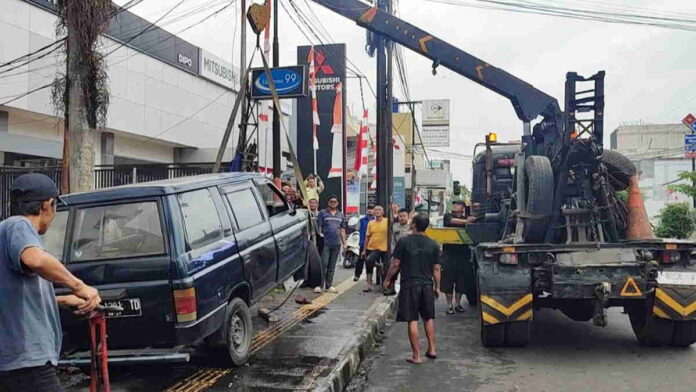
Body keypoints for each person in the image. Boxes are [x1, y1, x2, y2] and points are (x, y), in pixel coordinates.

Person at [0, 173, 102, 392]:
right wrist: (80, 286)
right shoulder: (18, 225)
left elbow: (12, 298)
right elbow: (36, 260)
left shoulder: (5, 234)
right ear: (48, 205)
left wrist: (61, 300)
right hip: (26, 361)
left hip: (14, 362)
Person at [384, 213, 441, 364]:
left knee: (413, 319)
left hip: (410, 285)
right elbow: (436, 269)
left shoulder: (404, 242)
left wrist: (388, 279)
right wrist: (437, 287)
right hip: (427, 285)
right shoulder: (434, 244)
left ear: (414, 225)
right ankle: (432, 349)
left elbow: (395, 264)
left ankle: (417, 356)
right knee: (428, 318)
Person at [441, 200, 476, 314]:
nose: (455, 206)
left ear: (463, 208)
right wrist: (467, 221)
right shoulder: (448, 216)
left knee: (461, 281)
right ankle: (449, 305)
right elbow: (452, 221)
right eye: (454, 204)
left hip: (463, 255)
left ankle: (458, 304)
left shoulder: (467, 217)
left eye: (458, 205)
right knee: (448, 280)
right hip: (449, 254)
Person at [316, 195, 346, 293]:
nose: (333, 203)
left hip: (336, 243)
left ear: (337, 203)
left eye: (335, 201)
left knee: (332, 265)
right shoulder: (322, 213)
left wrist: (344, 243)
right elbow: (318, 228)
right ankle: (319, 285)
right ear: (328, 203)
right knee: (323, 264)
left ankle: (329, 286)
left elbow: (342, 230)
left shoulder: (341, 215)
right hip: (325, 243)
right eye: (331, 201)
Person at [362, 205, 388, 292]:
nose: (377, 211)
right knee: (368, 262)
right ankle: (368, 284)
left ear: (383, 212)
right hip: (372, 247)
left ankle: (385, 284)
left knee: (386, 266)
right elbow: (367, 237)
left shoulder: (387, 221)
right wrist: (364, 250)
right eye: (375, 210)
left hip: (384, 248)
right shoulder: (371, 223)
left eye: (379, 210)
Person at [353, 205, 375, 282]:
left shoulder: (375, 220)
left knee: (370, 261)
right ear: (366, 210)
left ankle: (369, 278)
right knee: (360, 259)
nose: (370, 211)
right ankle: (357, 275)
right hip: (363, 242)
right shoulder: (361, 220)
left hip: (373, 243)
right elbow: (357, 229)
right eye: (369, 209)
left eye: (372, 209)